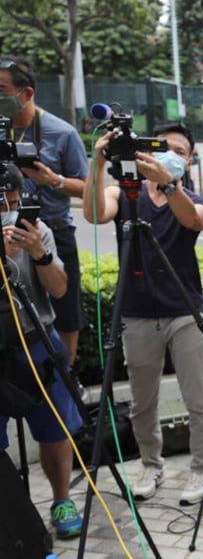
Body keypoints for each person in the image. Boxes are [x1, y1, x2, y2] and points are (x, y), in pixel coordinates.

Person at [83, 121, 203, 506]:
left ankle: (200, 469)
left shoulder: (193, 199)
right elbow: (93, 213)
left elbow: (192, 219)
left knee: (198, 398)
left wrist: (169, 185)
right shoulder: (125, 193)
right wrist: (97, 162)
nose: (171, 156)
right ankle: (150, 464)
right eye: (164, 148)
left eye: (181, 152)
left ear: (189, 162)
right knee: (143, 400)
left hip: (184, 311)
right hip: (138, 314)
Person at [0, 164, 83, 539]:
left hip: (36, 342)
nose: (8, 211)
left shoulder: (38, 230)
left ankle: (62, 498)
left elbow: (61, 289)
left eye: (14, 203)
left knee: (54, 429)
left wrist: (38, 254)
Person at [0, 56, 88, 371]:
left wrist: (53, 180)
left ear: (26, 93)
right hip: (6, 233)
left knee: (65, 313)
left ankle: (63, 378)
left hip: (52, 234)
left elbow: (89, 189)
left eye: (2, 90)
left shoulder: (61, 133)